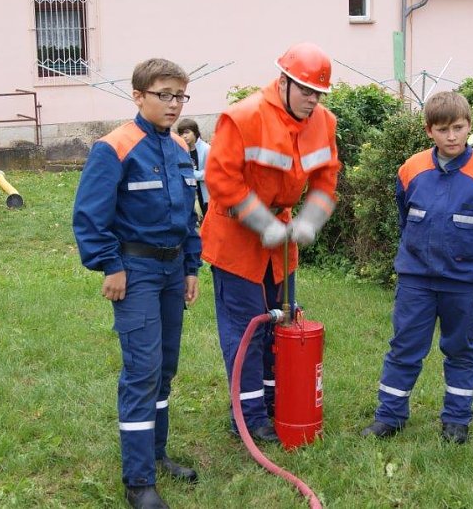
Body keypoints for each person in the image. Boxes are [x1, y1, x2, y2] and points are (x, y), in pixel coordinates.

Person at [72, 58, 201, 509]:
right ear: (138, 96)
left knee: (165, 369)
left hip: (172, 271)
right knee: (142, 372)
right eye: (164, 95)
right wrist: (111, 265)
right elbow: (89, 217)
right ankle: (139, 481)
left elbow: (188, 216)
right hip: (136, 272)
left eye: (180, 96)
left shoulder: (179, 148)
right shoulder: (114, 147)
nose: (173, 104)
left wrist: (191, 267)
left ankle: (157, 454)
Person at [200, 42, 340, 443]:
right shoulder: (243, 117)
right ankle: (248, 416)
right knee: (246, 328)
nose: (313, 101)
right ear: (283, 82)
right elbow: (221, 180)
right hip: (235, 239)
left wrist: (311, 220)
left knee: (278, 323)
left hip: (281, 241)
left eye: (319, 94)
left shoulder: (323, 122)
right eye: (306, 91)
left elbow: (326, 178)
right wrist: (261, 222)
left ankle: (273, 402)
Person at [361, 91, 473, 444]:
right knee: (404, 348)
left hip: (465, 283)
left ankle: (456, 422)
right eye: (443, 129)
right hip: (415, 280)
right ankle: (390, 417)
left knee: (460, 351)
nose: (451, 137)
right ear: (429, 130)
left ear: (469, 126)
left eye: (458, 128)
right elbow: (405, 217)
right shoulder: (411, 169)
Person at [176, 118, 210, 216]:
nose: (184, 136)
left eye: (187, 132)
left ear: (195, 132)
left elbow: (211, 173)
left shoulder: (206, 149)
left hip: (206, 194)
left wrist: (189, 174)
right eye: (181, 134)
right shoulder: (182, 150)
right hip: (190, 195)